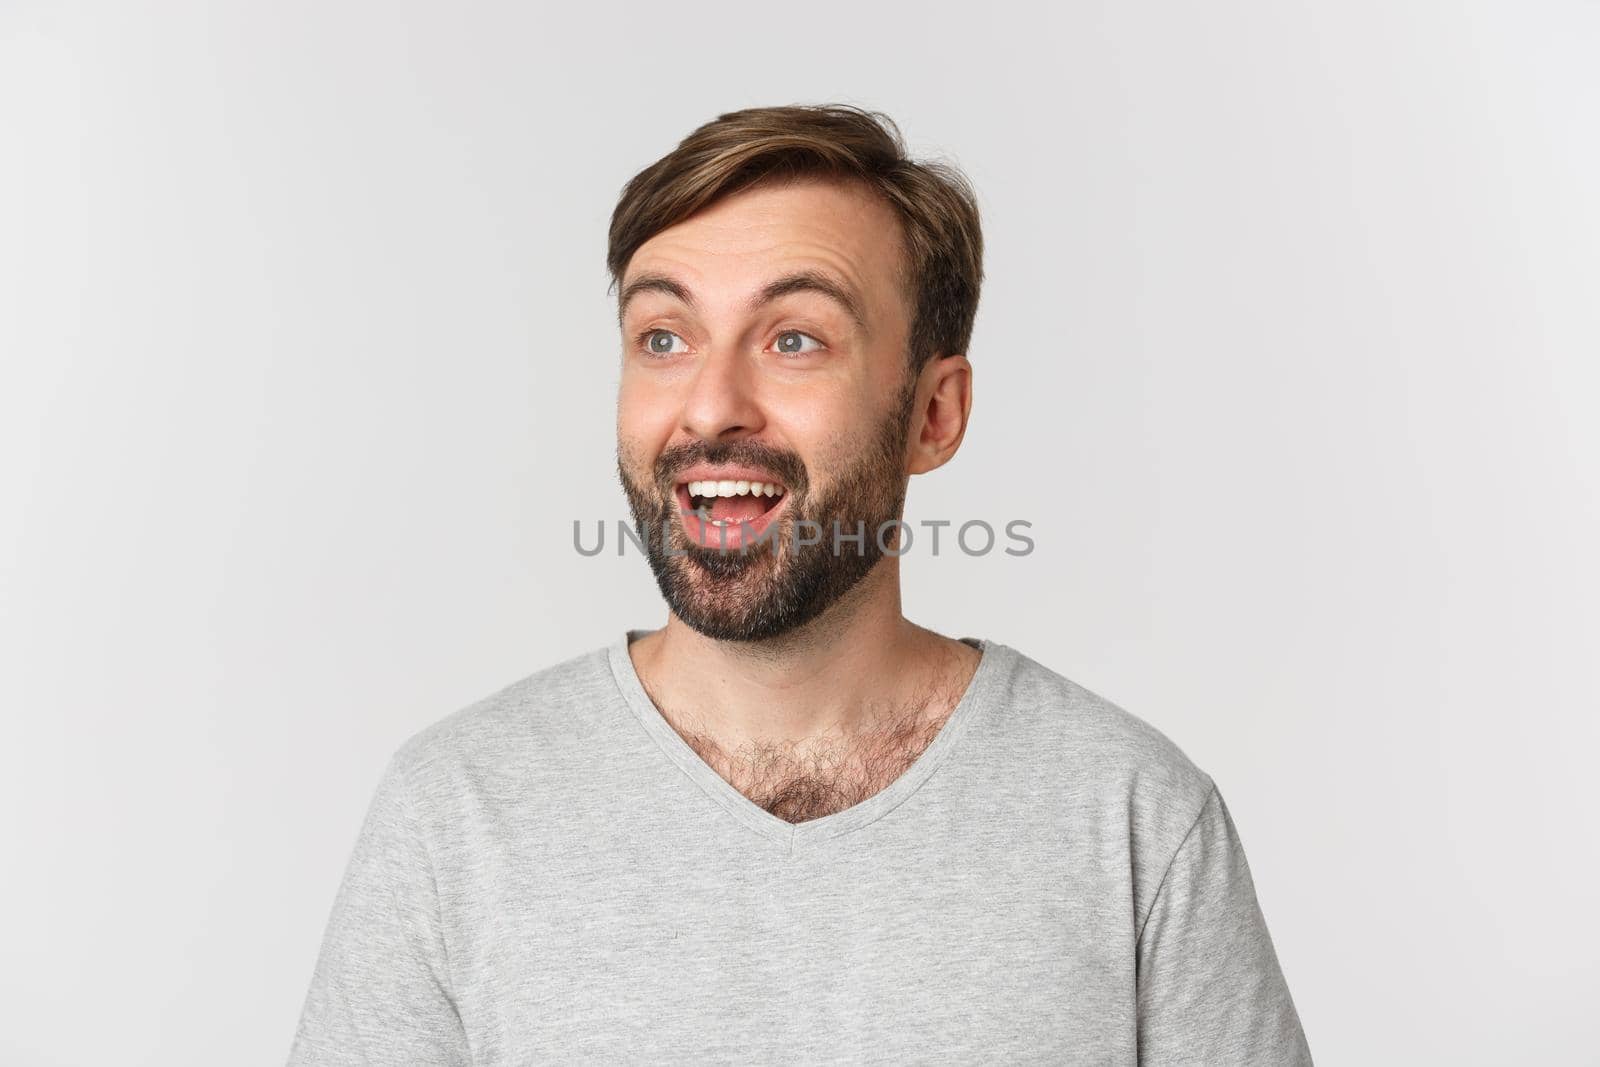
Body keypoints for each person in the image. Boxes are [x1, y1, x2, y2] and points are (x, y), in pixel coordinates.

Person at [287, 103, 1313, 1065]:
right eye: (663, 338)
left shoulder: (1131, 816)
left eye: (793, 339)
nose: (709, 407)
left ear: (934, 414)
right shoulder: (454, 810)